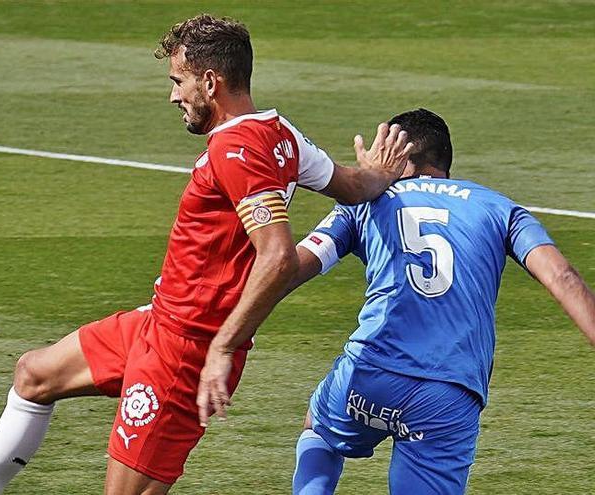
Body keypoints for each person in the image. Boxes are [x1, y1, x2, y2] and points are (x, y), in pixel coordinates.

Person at [0, 15, 413, 495]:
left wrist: (223, 347)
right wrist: (380, 176)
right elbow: (349, 184)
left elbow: (274, 257)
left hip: (186, 352)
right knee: (35, 374)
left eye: (178, 81)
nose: (173, 96)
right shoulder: (280, 135)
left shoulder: (238, 151)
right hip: (158, 324)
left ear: (210, 81)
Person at [196, 107, 595, 494]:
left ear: (399, 157)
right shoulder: (500, 208)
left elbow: (291, 269)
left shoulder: (364, 204)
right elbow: (561, 276)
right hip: (449, 393)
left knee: (318, 426)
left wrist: (224, 327)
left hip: (370, 375)